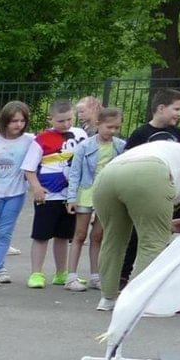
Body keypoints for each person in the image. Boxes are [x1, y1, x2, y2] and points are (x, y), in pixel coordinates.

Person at [89, 133, 180, 310]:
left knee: (113, 240)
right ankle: (138, 302)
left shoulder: (175, 154)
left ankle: (107, 298)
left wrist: (167, 224)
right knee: (153, 243)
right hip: (149, 173)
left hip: (109, 175)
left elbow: (141, 212)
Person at [0, 101, 39, 288]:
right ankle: (0, 267)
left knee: (4, 232)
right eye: (13, 121)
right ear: (4, 121)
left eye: (22, 120)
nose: (18, 125)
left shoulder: (30, 140)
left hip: (16, 193)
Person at [65, 106, 125, 293]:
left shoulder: (120, 146)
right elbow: (75, 173)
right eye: (109, 127)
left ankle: (95, 276)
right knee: (80, 234)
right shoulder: (85, 146)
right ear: (98, 124)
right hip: (87, 192)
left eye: (116, 127)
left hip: (107, 194)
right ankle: (71, 276)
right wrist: (71, 197)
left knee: (98, 235)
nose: (113, 131)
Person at [24, 100, 82, 288]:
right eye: (60, 121)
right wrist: (37, 187)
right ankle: (36, 273)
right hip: (48, 195)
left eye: (69, 119)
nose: (65, 124)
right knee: (41, 235)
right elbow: (29, 168)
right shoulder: (41, 139)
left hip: (70, 196)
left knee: (63, 236)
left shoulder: (80, 135)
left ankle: (61, 273)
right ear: (51, 119)